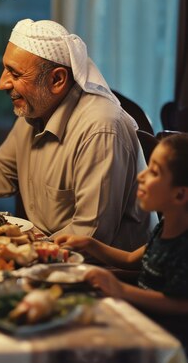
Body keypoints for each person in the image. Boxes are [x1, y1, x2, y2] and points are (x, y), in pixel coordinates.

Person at [0, 19, 155, 250]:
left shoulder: (100, 128)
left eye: (15, 73)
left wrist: (14, 249)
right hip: (46, 252)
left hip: (106, 275)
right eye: (4, 69)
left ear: (57, 80)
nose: (2, 83)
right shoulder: (35, 110)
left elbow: (91, 236)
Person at [55, 133, 188, 316]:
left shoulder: (183, 246)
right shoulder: (164, 227)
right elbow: (130, 260)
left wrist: (121, 290)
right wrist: (89, 244)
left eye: (154, 172)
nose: (141, 176)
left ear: (180, 195)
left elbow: (181, 306)